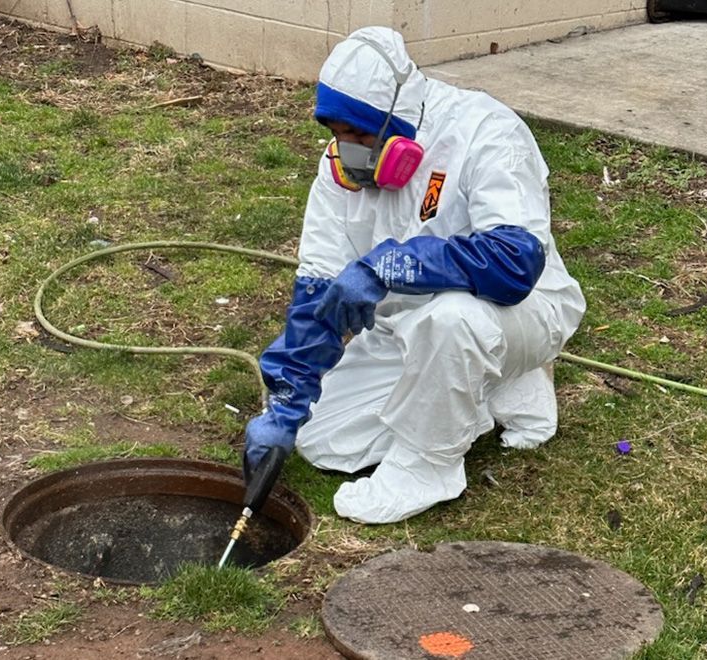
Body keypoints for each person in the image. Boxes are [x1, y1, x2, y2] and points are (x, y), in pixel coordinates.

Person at [243, 26, 586, 524]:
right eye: (336, 134)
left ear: (400, 115)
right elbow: (315, 290)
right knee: (323, 441)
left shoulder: (485, 130)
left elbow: (515, 261)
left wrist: (391, 266)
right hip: (402, 326)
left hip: (521, 310)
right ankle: (486, 390)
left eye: (360, 134)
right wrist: (286, 403)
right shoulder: (339, 166)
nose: (347, 149)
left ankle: (429, 466)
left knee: (452, 320)